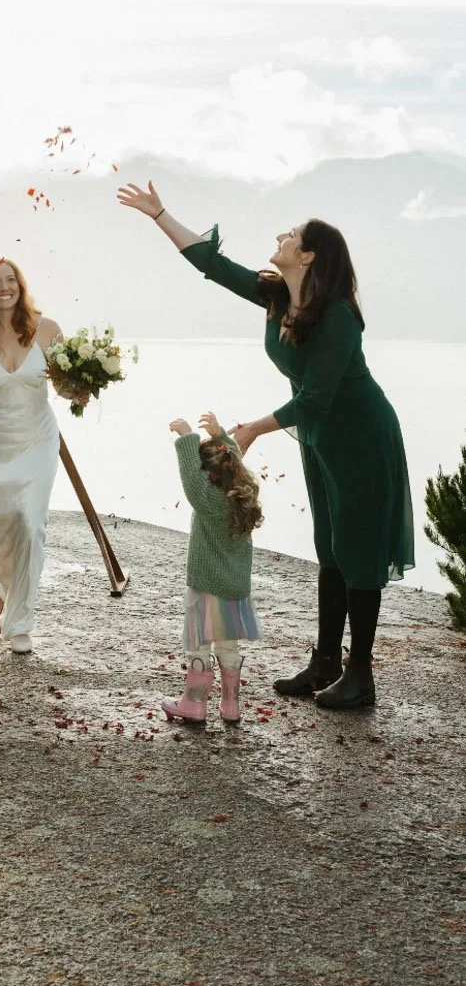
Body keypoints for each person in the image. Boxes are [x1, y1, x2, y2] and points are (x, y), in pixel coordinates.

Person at [118, 180, 414, 711]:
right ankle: (324, 663)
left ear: (308, 256)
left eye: (292, 234)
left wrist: (251, 429)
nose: (280, 236)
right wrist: (159, 213)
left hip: (363, 438)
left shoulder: (339, 316)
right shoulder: (278, 294)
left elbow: (319, 397)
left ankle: (360, 675)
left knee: (359, 552)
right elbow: (214, 265)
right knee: (330, 547)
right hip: (323, 439)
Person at [0, 259, 87, 655]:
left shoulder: (46, 329)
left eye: (10, 280)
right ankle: (1, 594)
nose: (4, 287)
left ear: (20, 285)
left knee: (30, 524)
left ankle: (20, 623)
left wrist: (81, 391)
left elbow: (65, 386)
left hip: (37, 440)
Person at [163, 411, 263, 723]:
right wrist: (221, 437)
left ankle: (194, 703)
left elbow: (191, 479)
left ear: (211, 474)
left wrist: (187, 437)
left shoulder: (208, 500)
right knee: (228, 646)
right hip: (233, 589)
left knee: (199, 644)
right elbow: (232, 461)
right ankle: (230, 705)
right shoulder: (242, 495)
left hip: (205, 585)